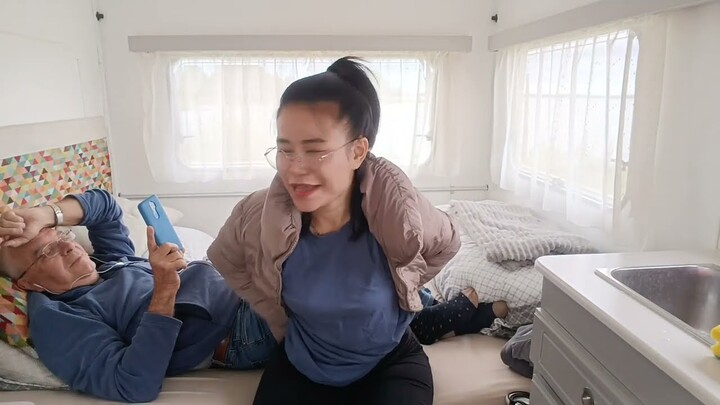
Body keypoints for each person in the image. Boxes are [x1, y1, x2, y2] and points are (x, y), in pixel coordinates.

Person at [207, 56, 461, 405]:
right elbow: (226, 258)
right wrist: (278, 318)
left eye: (315, 151)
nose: (295, 169)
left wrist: (403, 284)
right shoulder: (258, 214)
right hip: (302, 364)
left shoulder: (397, 212)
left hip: (388, 361)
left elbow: (448, 242)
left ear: (357, 151)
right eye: (285, 150)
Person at [0, 190, 277, 403]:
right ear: (28, 282)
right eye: (47, 252)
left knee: (271, 209)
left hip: (244, 288)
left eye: (61, 237)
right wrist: (164, 291)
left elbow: (106, 207)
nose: (68, 248)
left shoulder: (108, 262)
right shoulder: (57, 319)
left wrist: (46, 215)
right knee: (265, 204)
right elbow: (133, 385)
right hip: (238, 329)